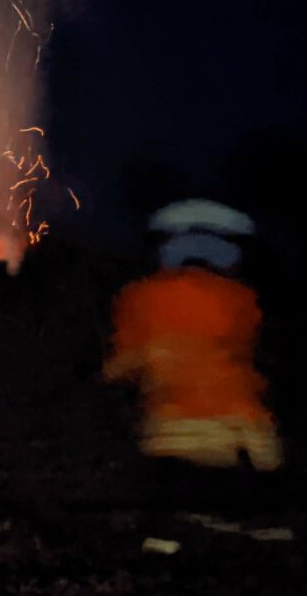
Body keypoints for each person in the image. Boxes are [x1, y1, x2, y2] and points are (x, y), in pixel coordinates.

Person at [105, 199, 282, 473]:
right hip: (248, 440)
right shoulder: (242, 300)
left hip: (173, 437)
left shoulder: (141, 298)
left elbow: (123, 367)